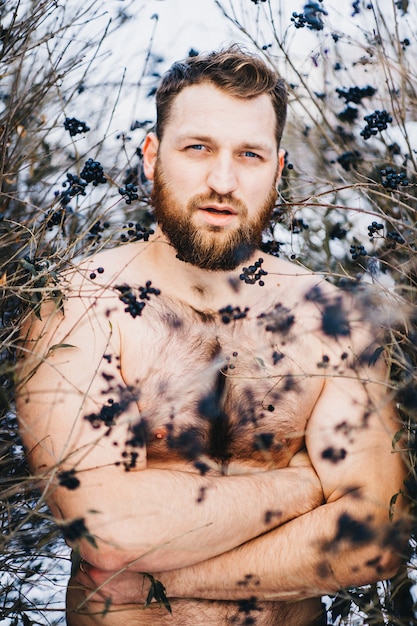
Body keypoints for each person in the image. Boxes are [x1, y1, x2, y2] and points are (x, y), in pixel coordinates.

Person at [16, 46, 407, 626]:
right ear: (152, 158)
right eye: (198, 148)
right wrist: (307, 488)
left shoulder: (335, 320)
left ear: (276, 170)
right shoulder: (80, 305)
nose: (223, 180)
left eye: (248, 155)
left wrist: (154, 580)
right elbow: (106, 532)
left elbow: (375, 536)